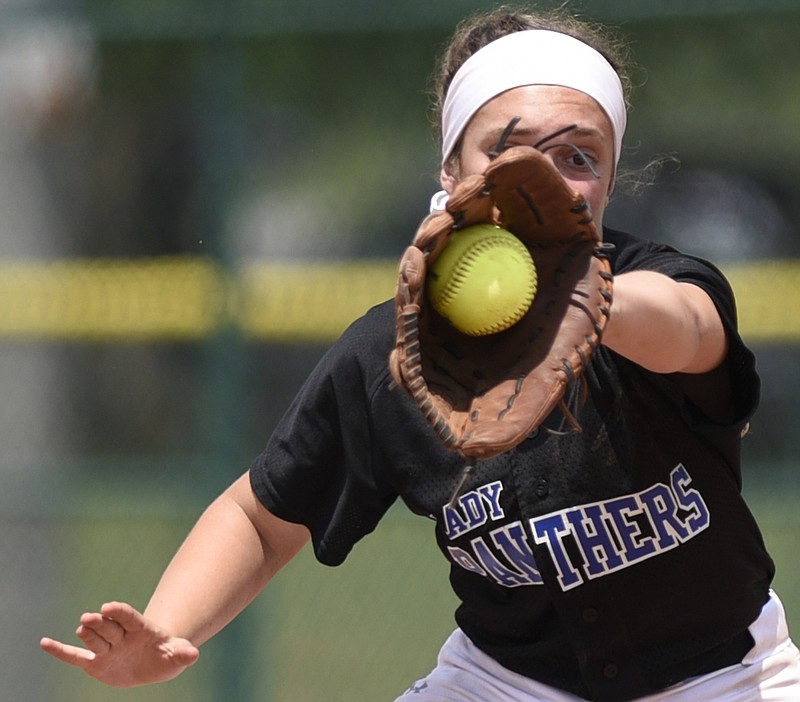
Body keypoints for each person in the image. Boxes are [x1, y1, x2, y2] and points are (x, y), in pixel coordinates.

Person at [40, 7, 800, 701]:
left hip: (726, 677)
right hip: (507, 683)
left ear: (608, 178)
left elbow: (692, 332)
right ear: (450, 174)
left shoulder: (657, 287)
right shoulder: (396, 354)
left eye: (578, 156)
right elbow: (263, 515)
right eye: (506, 151)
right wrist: (172, 629)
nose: (544, 179)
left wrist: (585, 301)